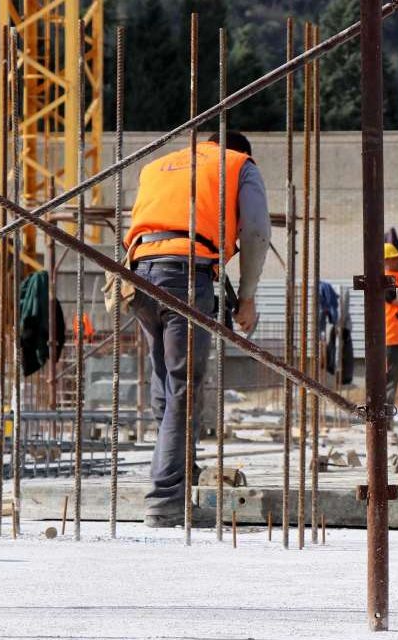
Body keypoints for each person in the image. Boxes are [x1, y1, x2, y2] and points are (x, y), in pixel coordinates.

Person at [125, 130, 270, 527]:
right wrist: (249, 295)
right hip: (186, 275)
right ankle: (165, 500)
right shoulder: (239, 164)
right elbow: (256, 230)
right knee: (184, 388)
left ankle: (178, 473)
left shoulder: (157, 165)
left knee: (165, 381)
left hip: (139, 274)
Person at [383, 242, 398, 415]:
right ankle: (386, 419)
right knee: (391, 381)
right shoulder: (385, 279)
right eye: (394, 258)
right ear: (386, 260)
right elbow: (392, 299)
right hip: (392, 337)